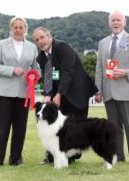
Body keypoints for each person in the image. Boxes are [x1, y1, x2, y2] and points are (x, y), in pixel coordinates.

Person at [32, 27, 98, 165]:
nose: (40, 42)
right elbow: (48, 77)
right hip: (60, 92)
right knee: (56, 125)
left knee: (76, 126)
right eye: (37, 40)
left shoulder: (63, 48)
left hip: (77, 92)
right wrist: (48, 95)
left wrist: (59, 94)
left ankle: (71, 156)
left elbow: (67, 72)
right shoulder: (41, 57)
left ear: (49, 37)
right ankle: (51, 157)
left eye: (42, 37)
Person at [94, 11, 129, 166]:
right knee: (113, 128)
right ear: (109, 23)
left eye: (118, 20)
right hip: (109, 92)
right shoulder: (103, 43)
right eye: (112, 20)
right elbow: (99, 69)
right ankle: (118, 155)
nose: (115, 23)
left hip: (127, 91)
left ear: (125, 22)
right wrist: (98, 90)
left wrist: (126, 72)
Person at [0, 17, 40, 168]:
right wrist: (12, 70)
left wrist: (35, 76)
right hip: (4, 93)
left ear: (26, 29)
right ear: (11, 29)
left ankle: (16, 159)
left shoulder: (32, 47)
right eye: (15, 27)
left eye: (21, 27)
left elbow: (37, 68)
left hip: (24, 94)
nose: (18, 30)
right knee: (0, 129)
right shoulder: (1, 44)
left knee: (20, 129)